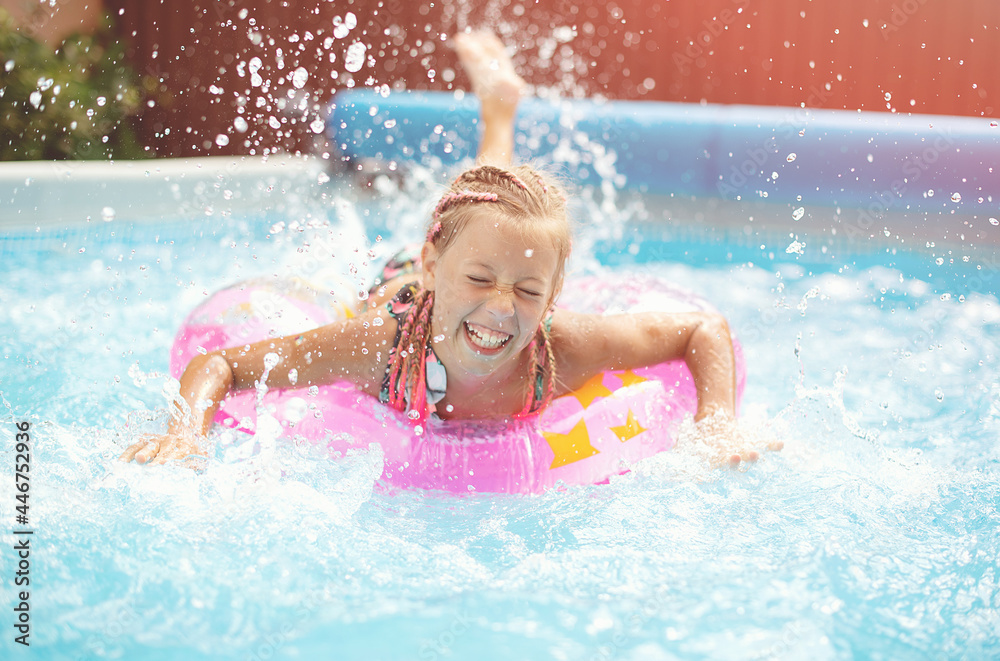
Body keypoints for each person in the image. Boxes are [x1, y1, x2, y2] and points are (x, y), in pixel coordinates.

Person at [121, 32, 772, 469]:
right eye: (483, 282)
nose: (500, 309)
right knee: (477, 216)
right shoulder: (378, 346)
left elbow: (702, 328)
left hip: (453, 262)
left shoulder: (563, 346)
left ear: (553, 293)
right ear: (437, 268)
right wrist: (185, 434)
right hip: (398, 288)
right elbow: (222, 365)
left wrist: (717, 419)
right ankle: (498, 113)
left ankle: (499, 111)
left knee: (499, 218)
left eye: (527, 291)